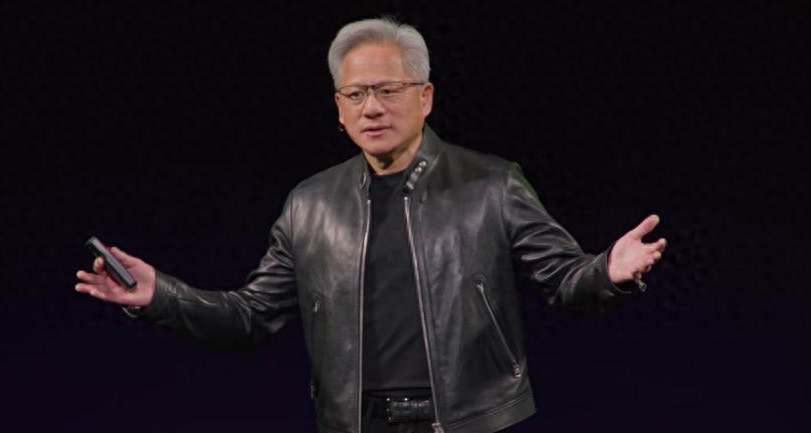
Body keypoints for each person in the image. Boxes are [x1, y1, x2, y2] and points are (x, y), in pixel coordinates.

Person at [75, 17, 666, 433]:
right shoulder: (310, 205)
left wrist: (606, 273)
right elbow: (250, 317)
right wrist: (160, 296)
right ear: (338, 108)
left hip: (468, 420)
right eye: (355, 94)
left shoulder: (491, 184)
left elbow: (565, 281)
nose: (372, 107)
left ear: (425, 97)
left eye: (387, 90)